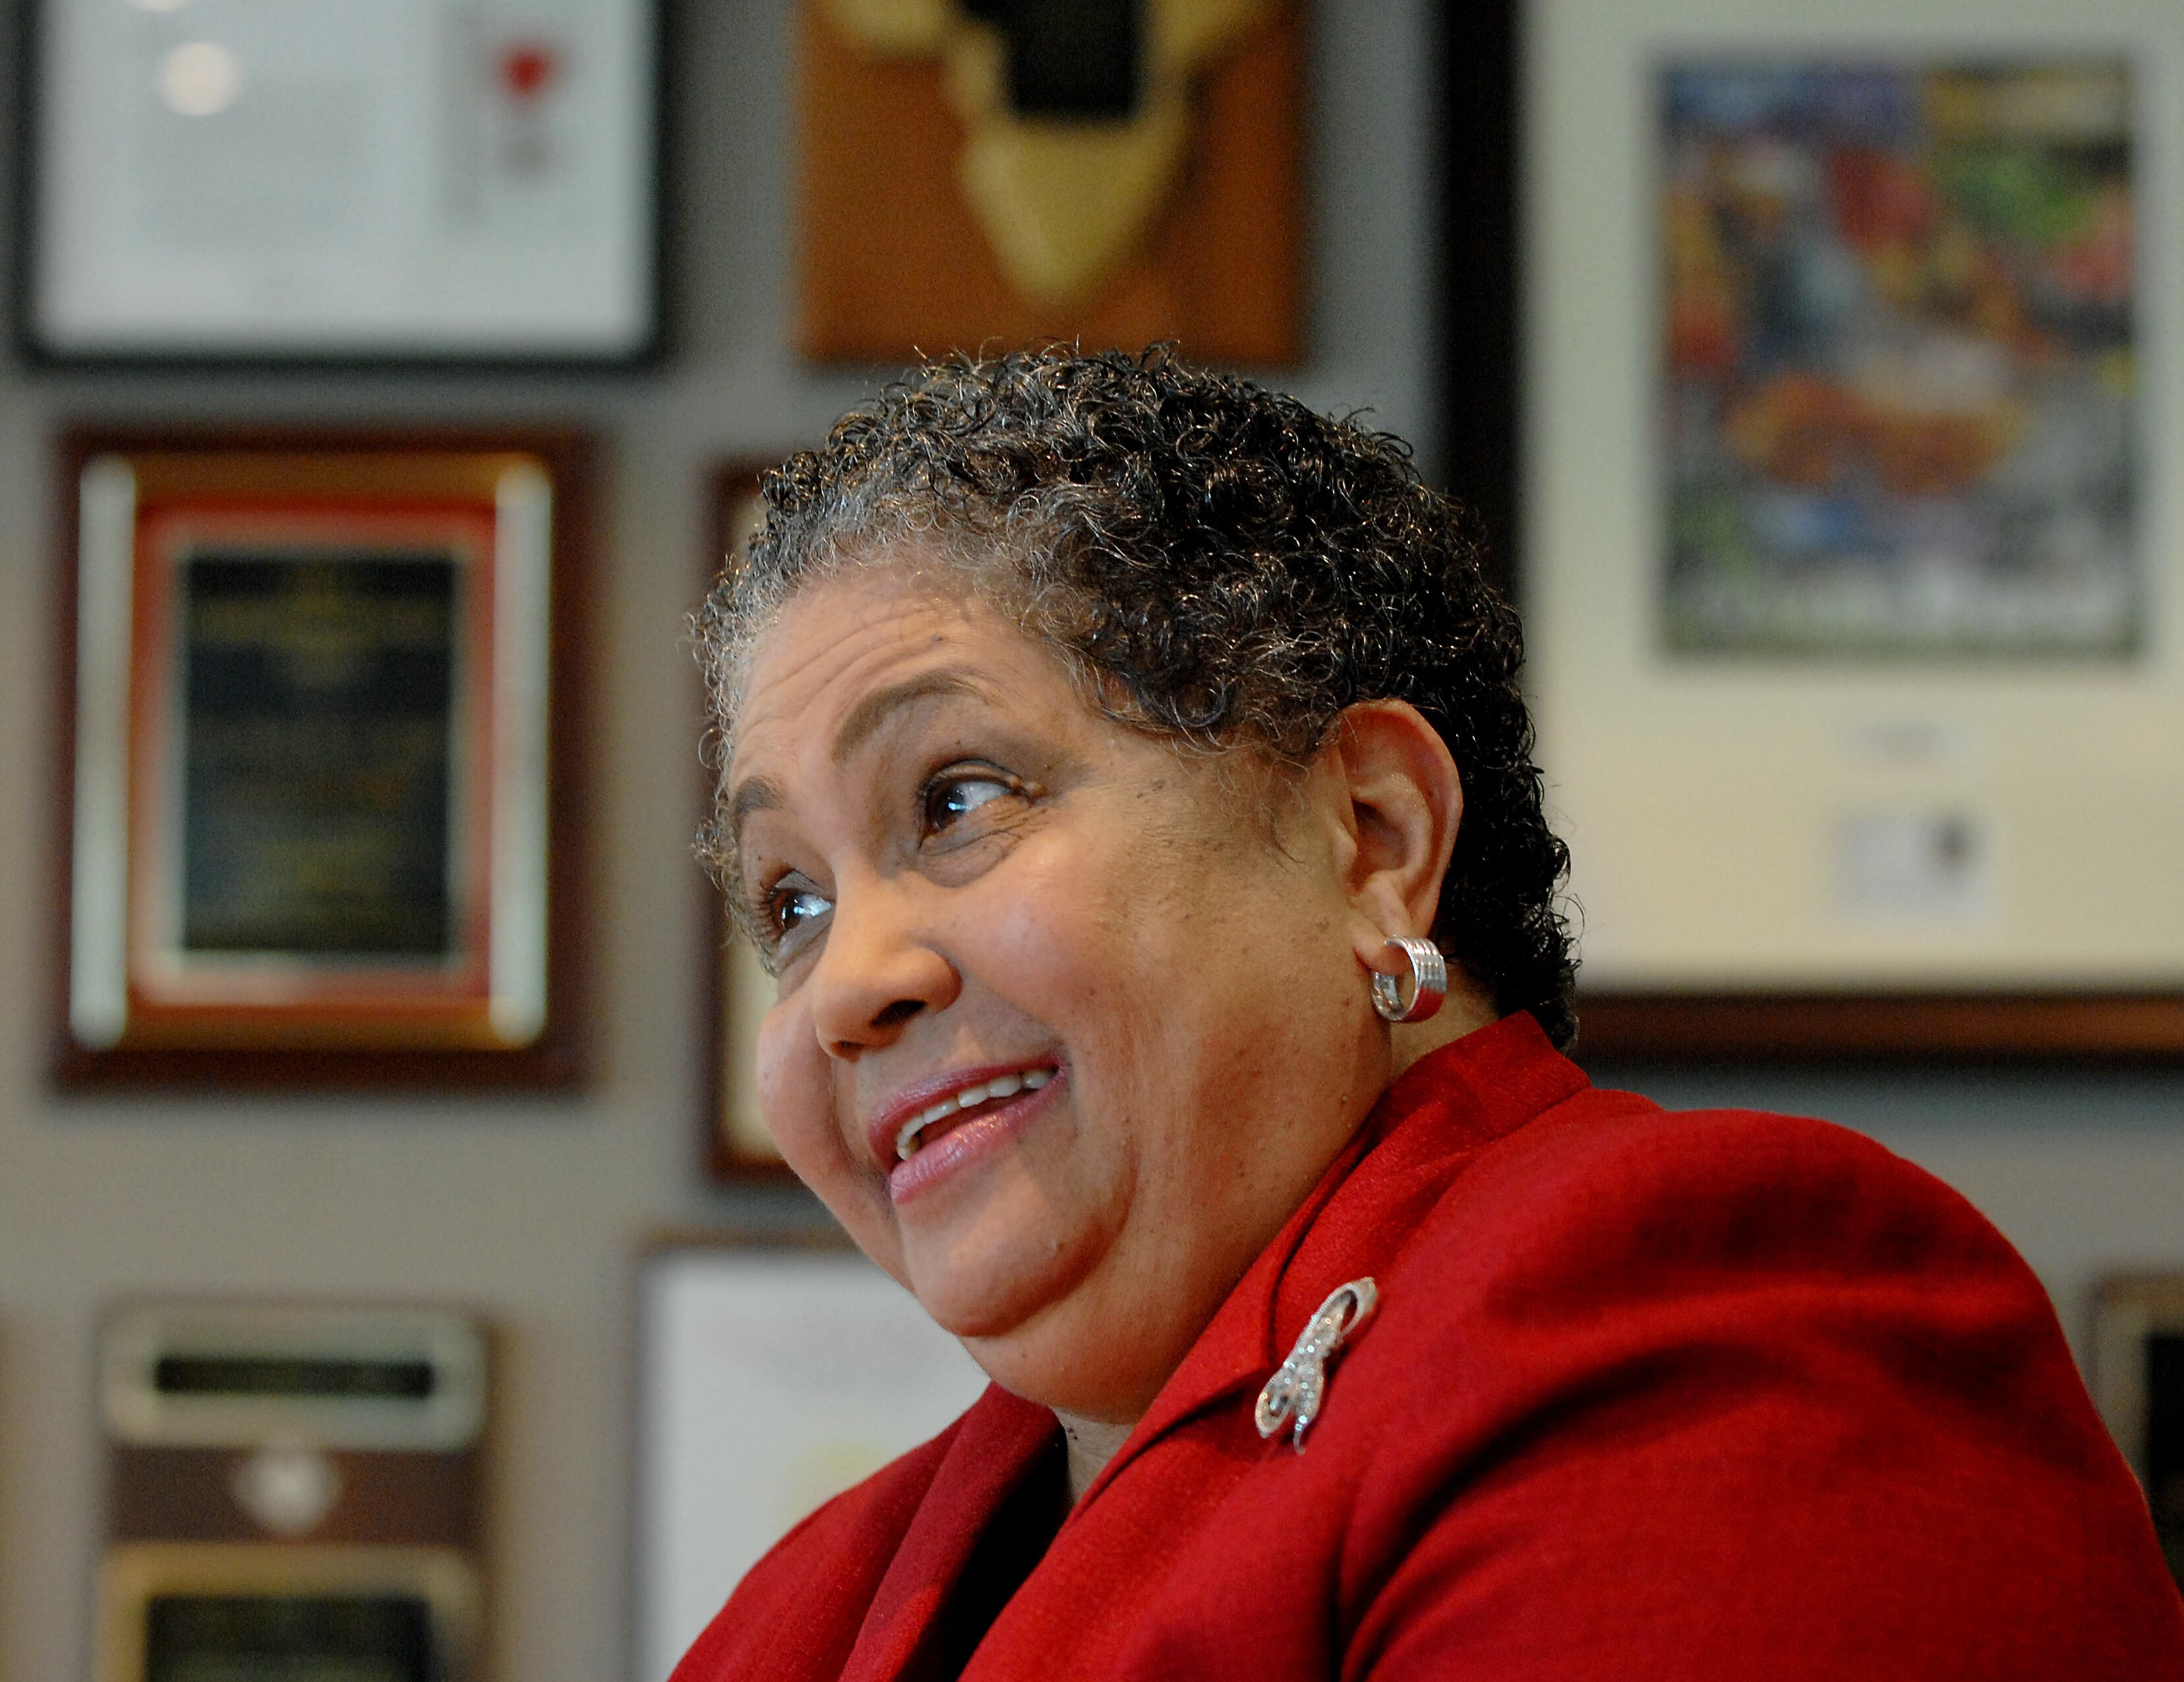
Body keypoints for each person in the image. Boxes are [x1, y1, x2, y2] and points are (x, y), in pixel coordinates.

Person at [676, 344, 2183, 1679]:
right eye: (790, 901)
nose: (850, 985)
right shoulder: (817, 1599)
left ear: (1373, 836)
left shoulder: (1690, 1312)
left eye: (957, 799)